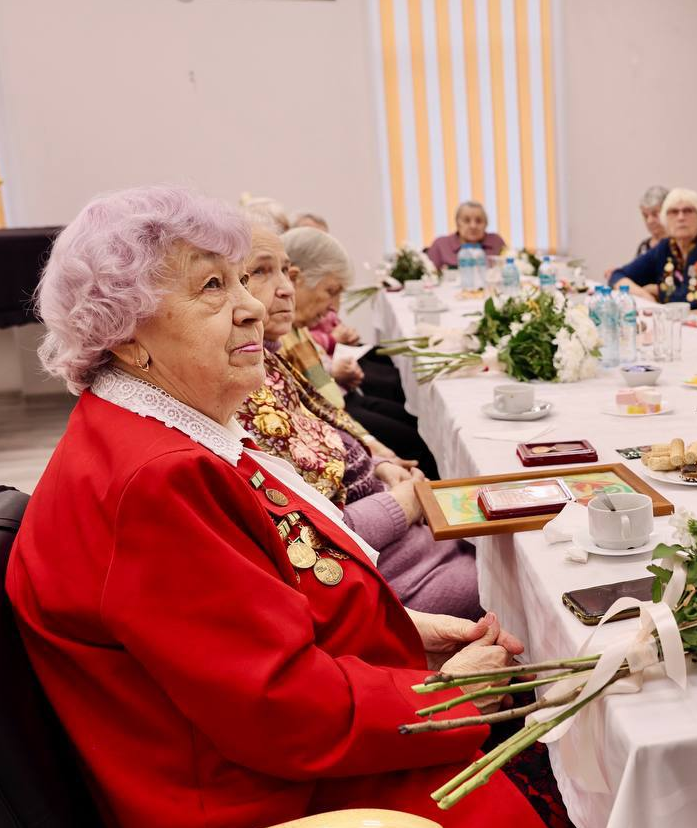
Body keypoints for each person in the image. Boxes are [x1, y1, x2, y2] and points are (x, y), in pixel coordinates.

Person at [6, 185, 541, 828]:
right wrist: (448, 699)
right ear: (123, 334)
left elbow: (253, 619)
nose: (253, 307)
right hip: (254, 795)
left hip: (273, 749)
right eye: (213, 286)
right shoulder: (157, 478)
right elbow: (276, 707)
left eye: (242, 279)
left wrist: (406, 632)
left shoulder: (170, 427)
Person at [240, 221, 479, 618]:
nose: (285, 288)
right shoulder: (245, 387)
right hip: (393, 573)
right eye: (262, 271)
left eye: (285, 271)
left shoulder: (273, 355)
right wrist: (403, 501)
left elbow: (326, 413)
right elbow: (313, 535)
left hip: (402, 540)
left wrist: (380, 462)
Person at [280, 226, 437, 476]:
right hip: (335, 436)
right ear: (295, 278)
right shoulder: (278, 335)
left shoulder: (297, 329)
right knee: (417, 446)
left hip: (342, 414)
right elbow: (320, 414)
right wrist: (375, 450)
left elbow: (328, 398)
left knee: (418, 428)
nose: (334, 307)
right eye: (331, 291)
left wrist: (373, 445)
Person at [607, 187, 697, 314]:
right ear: (665, 219)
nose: (680, 217)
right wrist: (646, 297)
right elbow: (617, 276)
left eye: (688, 211)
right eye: (674, 212)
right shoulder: (664, 248)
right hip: (670, 323)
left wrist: (691, 315)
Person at [425, 201, 507, 269]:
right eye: (467, 221)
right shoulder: (441, 244)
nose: (473, 226)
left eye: (479, 221)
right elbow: (428, 276)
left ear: (486, 224)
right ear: (457, 223)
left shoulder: (496, 241)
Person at [635, 185, 668, 256]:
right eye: (645, 216)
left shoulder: (679, 245)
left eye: (655, 214)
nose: (649, 221)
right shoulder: (643, 248)